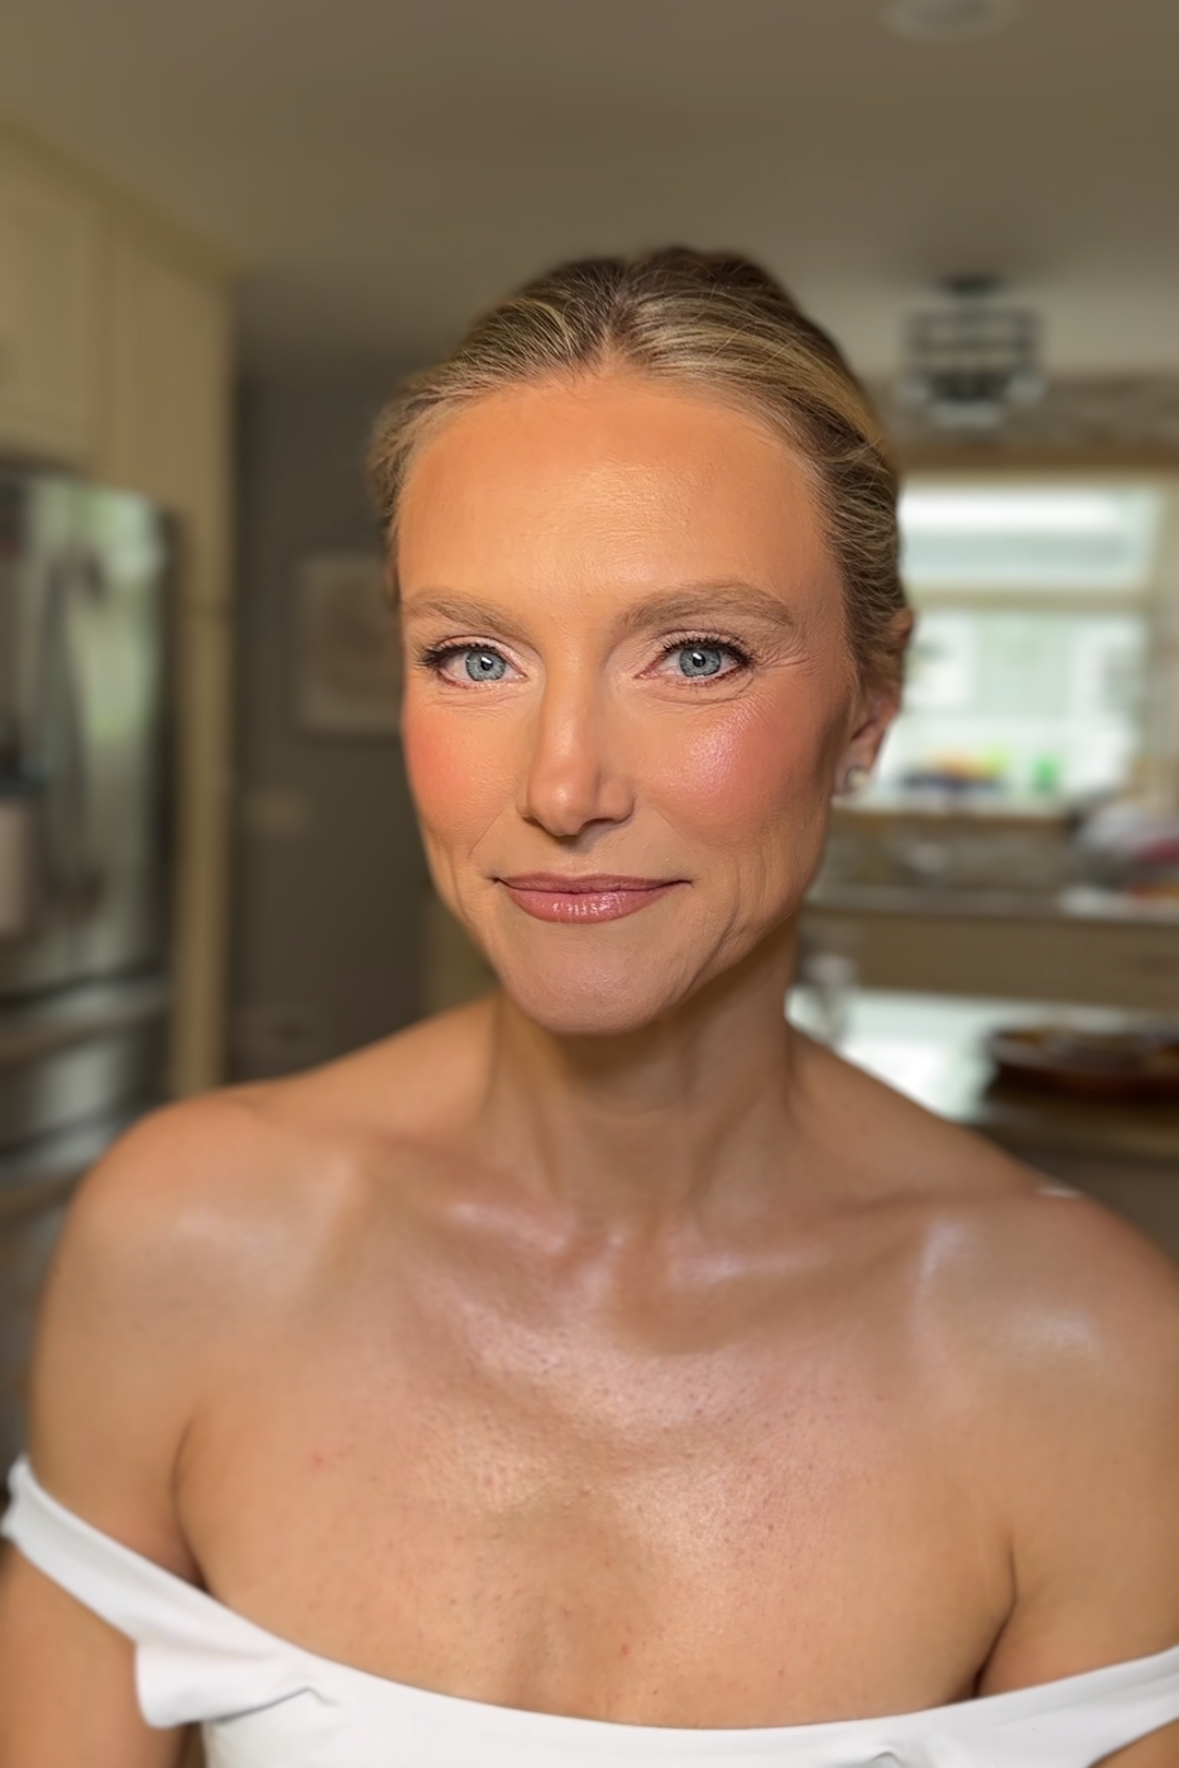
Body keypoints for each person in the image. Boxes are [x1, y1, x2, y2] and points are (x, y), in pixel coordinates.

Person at [1, 248, 1177, 1768]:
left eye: (696, 655)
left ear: (865, 710)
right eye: (474, 655)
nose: (562, 787)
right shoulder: (187, 1237)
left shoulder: (1083, 1358)